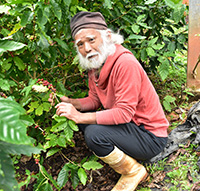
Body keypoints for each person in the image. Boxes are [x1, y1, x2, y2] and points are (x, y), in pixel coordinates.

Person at [50, 11, 169, 191]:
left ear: (107, 36)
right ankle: (126, 155)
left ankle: (133, 171)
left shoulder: (125, 63)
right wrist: (72, 103)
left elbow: (123, 113)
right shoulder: (96, 64)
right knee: (83, 119)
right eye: (80, 44)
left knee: (93, 134)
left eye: (91, 40)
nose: (87, 48)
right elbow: (94, 99)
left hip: (149, 137)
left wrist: (80, 118)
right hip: (130, 127)